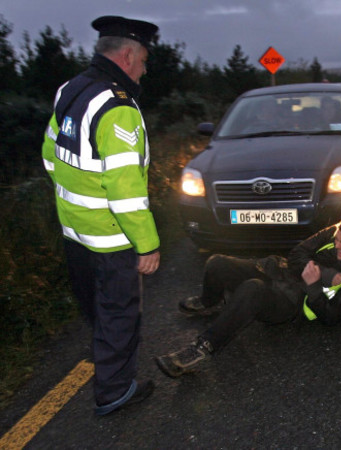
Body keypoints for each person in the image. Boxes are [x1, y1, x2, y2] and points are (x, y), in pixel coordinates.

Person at [41, 16, 160, 415]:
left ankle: (109, 368)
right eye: (143, 60)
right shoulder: (118, 107)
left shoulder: (71, 89)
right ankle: (114, 391)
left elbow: (49, 153)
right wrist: (147, 245)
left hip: (75, 231)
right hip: (111, 239)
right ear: (127, 55)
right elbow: (126, 193)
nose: (144, 69)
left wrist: (75, 200)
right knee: (120, 314)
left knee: (97, 307)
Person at [155, 211, 341, 377]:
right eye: (337, 240)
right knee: (217, 262)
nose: (338, 246)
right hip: (279, 271)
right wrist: (325, 274)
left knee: (253, 289)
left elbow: (332, 316)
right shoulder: (334, 231)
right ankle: (209, 301)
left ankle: (201, 349)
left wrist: (314, 284)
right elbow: (296, 254)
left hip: (292, 301)